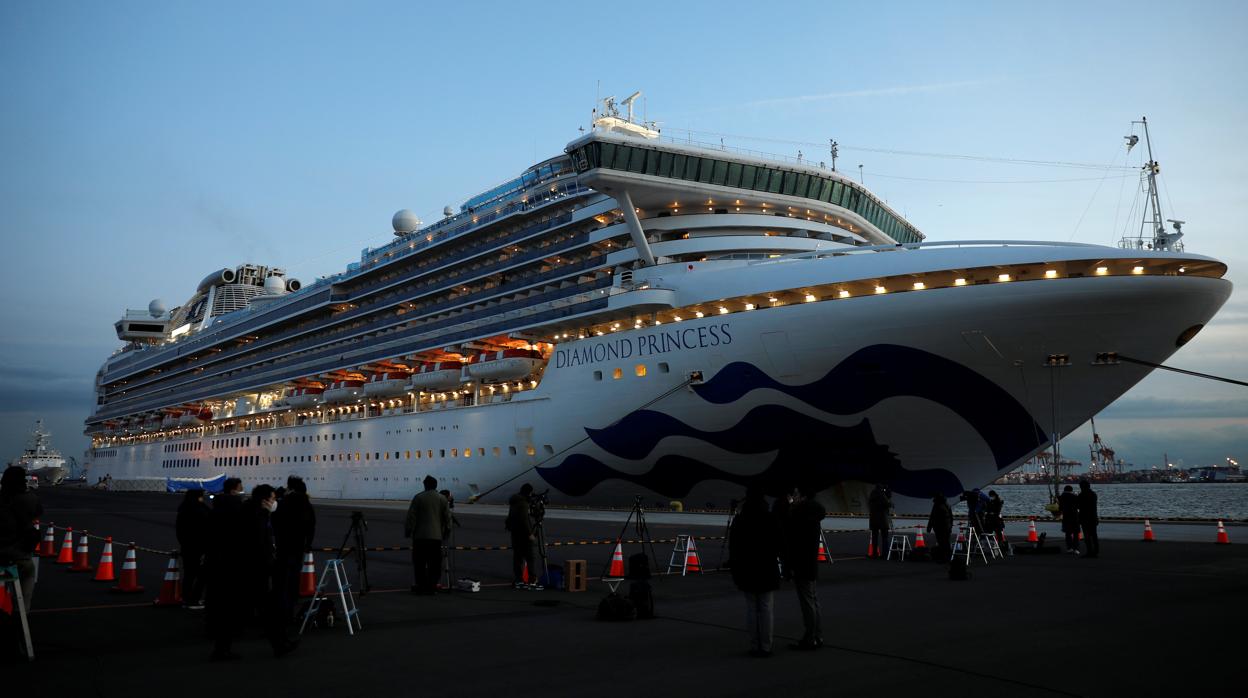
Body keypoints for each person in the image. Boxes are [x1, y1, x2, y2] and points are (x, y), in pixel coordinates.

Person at [728, 487, 782, 658]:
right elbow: (779, 543)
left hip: (747, 568)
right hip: (767, 567)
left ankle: (754, 644)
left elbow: (734, 547)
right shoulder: (770, 518)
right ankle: (766, 646)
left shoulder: (740, 519)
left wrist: (735, 570)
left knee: (751, 608)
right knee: (766, 608)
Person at [785, 484, 827, 651]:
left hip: (801, 562)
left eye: (795, 494)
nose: (793, 496)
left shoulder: (799, 514)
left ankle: (810, 637)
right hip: (811, 562)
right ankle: (817, 635)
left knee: (807, 602)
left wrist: (790, 507)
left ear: (802, 496)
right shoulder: (815, 514)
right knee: (814, 600)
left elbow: (792, 538)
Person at [0, 465, 43, 613]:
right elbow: (38, 512)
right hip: (19, 553)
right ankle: (23, 610)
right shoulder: (29, 498)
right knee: (29, 572)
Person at [272, 476, 316, 619]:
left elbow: (275, 521)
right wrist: (308, 544)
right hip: (298, 545)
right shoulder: (307, 504)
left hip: (283, 545)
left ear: (290, 488)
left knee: (281, 578)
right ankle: (290, 608)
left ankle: (280, 609)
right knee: (294, 577)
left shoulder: (285, 502)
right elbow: (311, 526)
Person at [404, 475, 451, 594]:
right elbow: (447, 518)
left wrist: (408, 531)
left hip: (420, 537)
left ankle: (421, 586)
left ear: (425, 485)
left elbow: (411, 517)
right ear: (435, 485)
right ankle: (432, 586)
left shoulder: (418, 497)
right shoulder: (442, 499)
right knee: (435, 564)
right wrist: (447, 532)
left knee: (419, 564)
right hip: (436, 538)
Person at [175, 489, 212, 610]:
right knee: (202, 575)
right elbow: (207, 530)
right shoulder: (200, 510)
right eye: (202, 496)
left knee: (189, 574)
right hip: (199, 548)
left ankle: (186, 598)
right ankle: (194, 599)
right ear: (198, 497)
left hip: (187, 547)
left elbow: (179, 531)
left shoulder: (183, 509)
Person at [506, 484, 538, 589]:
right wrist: (530, 534)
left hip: (515, 534)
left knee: (517, 558)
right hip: (523, 535)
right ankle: (532, 580)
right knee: (530, 558)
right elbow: (524, 520)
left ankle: (519, 580)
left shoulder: (514, 501)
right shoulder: (523, 503)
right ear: (528, 492)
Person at [867, 484, 892, 559]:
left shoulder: (872, 494)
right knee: (885, 538)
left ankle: (874, 554)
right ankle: (885, 554)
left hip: (874, 520)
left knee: (874, 538)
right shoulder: (882, 495)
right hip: (883, 520)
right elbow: (888, 503)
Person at [927, 493, 953, 562]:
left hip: (939, 527)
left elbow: (932, 516)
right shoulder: (947, 505)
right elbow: (951, 517)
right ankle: (947, 557)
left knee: (942, 543)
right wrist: (950, 526)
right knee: (946, 543)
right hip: (946, 527)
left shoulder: (936, 505)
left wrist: (929, 527)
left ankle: (944, 558)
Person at [1077, 479, 1099, 558]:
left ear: (1082, 487)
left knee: (1087, 536)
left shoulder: (1081, 495)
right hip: (1093, 517)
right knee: (1094, 535)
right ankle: (1096, 551)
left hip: (1084, 518)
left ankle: (1089, 552)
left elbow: (1078, 506)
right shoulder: (1093, 494)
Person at [1058, 485, 1081, 554]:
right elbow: (1078, 506)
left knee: (1068, 533)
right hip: (1074, 516)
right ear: (1071, 490)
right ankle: (1076, 548)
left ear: (1064, 490)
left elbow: (1060, 508)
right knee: (1076, 533)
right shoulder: (1074, 497)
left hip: (1066, 517)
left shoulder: (1061, 497)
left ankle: (1069, 548)